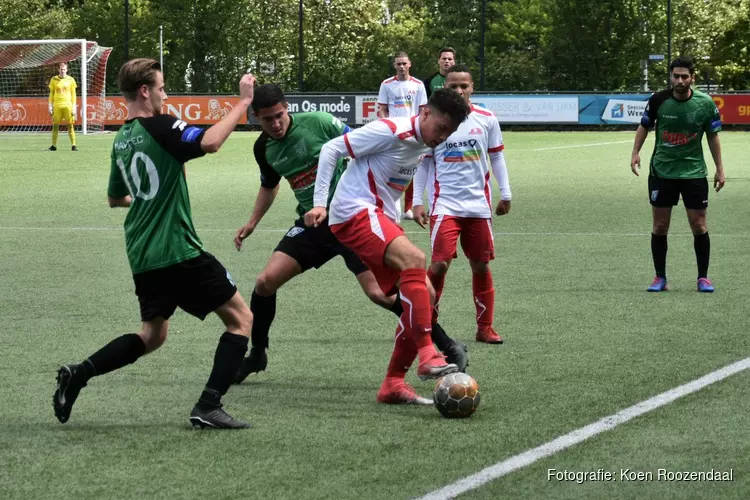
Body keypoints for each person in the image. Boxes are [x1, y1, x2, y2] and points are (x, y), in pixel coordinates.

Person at [52, 59, 258, 429]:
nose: (166, 94)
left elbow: (117, 199)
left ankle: (79, 373)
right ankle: (209, 405)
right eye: (162, 88)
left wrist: (153, 195)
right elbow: (210, 142)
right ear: (145, 91)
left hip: (142, 252)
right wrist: (242, 103)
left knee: (153, 334)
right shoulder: (160, 125)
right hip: (177, 248)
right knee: (241, 320)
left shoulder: (121, 139)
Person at [232, 84, 468, 385]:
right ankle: (257, 353)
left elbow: (353, 146)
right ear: (256, 118)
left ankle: (443, 345)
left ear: (287, 107)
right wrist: (253, 222)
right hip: (315, 223)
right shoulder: (262, 148)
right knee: (265, 282)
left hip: (353, 217)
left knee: (381, 294)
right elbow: (269, 185)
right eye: (267, 120)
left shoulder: (319, 122)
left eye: (279, 115)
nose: (275, 124)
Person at [306, 88, 470, 405]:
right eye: (440, 127)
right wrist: (319, 204)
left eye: (449, 132)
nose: (442, 136)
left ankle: (393, 383)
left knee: (427, 296)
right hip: (352, 211)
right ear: (425, 113)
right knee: (415, 258)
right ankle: (427, 353)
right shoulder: (390, 130)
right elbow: (331, 150)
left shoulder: (423, 142)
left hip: (378, 216)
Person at [412, 64, 511, 344]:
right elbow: (424, 163)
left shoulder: (487, 119)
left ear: (472, 88)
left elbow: (497, 157)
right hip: (445, 206)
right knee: (440, 264)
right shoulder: (434, 121)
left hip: (478, 206)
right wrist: (417, 201)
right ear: (444, 87)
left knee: (480, 265)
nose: (459, 91)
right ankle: (427, 323)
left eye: (463, 86)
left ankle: (485, 328)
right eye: (453, 86)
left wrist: (506, 193)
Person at [630, 55, 725, 293]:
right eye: (676, 76)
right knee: (660, 226)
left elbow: (713, 136)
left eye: (684, 76)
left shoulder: (705, 104)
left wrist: (720, 168)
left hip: (693, 173)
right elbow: (644, 126)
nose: (680, 80)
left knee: (699, 225)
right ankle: (660, 277)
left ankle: (703, 278)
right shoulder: (658, 100)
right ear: (671, 77)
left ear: (692, 78)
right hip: (662, 172)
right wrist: (635, 152)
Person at [377, 51, 428, 220]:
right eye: (398, 64)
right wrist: (386, 126)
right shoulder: (386, 84)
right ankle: (390, 205)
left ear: (409, 64)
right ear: (394, 66)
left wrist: (420, 129)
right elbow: (382, 109)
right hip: (393, 133)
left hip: (413, 132)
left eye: (404, 63)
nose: (401, 67)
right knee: (391, 167)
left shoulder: (418, 85)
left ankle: (408, 208)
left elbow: (422, 110)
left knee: (412, 169)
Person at [48, 62, 78, 151]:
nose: (63, 71)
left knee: (70, 125)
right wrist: (50, 106)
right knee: (55, 125)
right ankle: (53, 145)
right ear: (58, 70)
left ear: (67, 70)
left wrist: (74, 107)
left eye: (64, 69)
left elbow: (73, 94)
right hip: (57, 106)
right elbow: (51, 94)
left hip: (68, 106)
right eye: (61, 69)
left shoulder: (71, 80)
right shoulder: (54, 79)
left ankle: (73, 145)